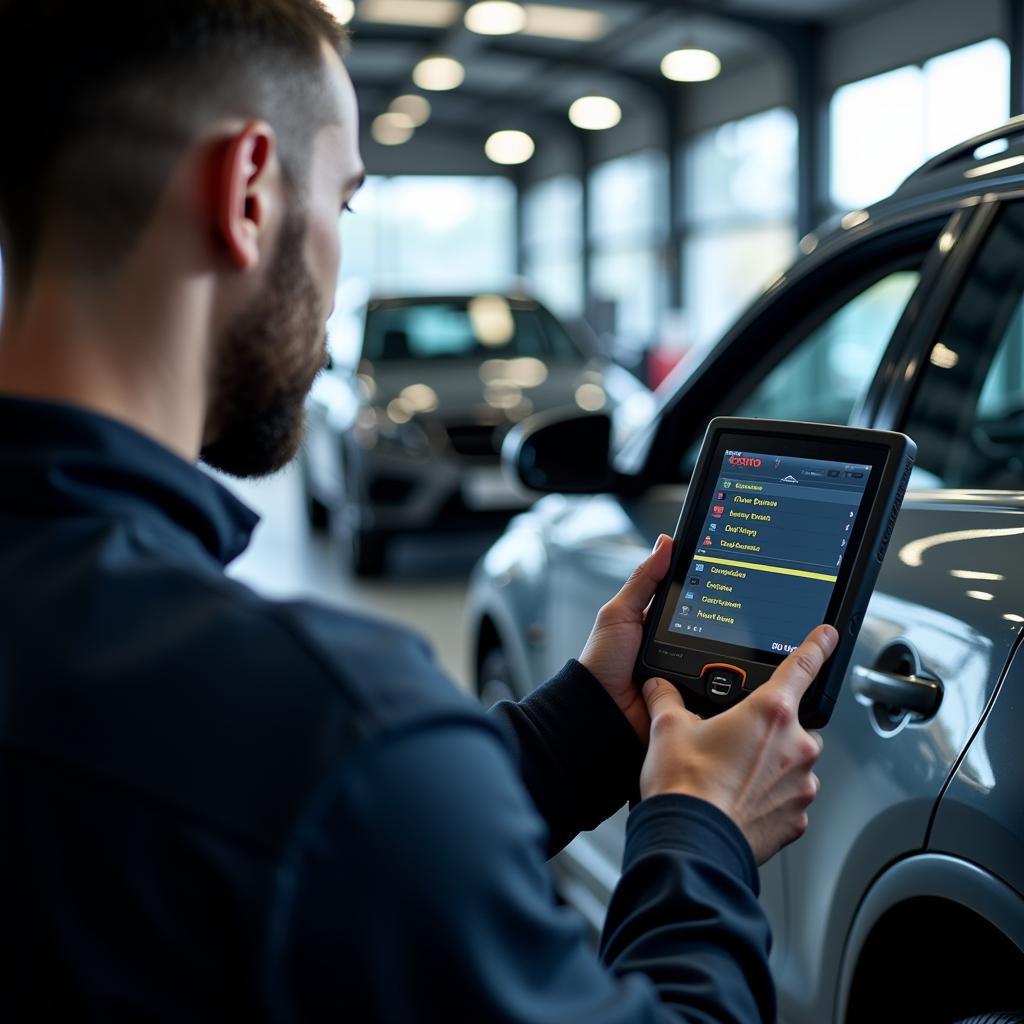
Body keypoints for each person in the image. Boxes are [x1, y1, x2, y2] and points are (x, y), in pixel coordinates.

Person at [0, 1, 831, 1019]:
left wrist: (577, 733)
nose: (340, 253)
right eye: (344, 204)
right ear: (247, 191)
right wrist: (700, 830)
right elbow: (337, 806)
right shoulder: (332, 725)